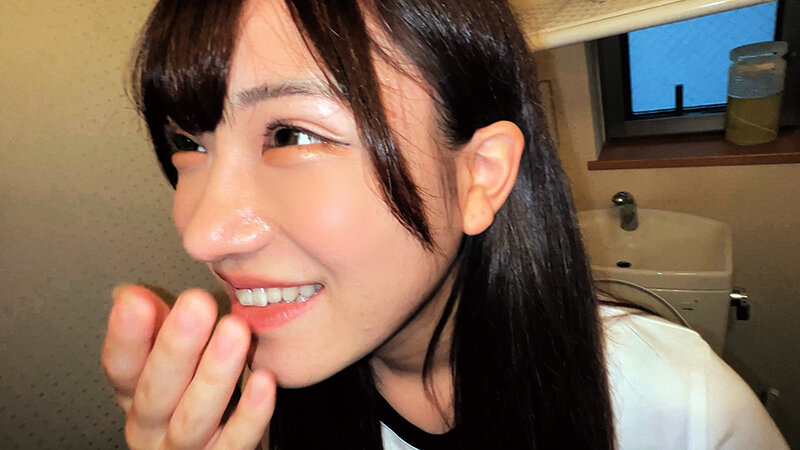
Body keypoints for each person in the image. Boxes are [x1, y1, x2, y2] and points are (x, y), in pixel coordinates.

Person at [101, 0, 788, 448]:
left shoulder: (682, 410)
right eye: (188, 144)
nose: (203, 234)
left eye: (291, 135)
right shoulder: (233, 414)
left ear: (479, 176)